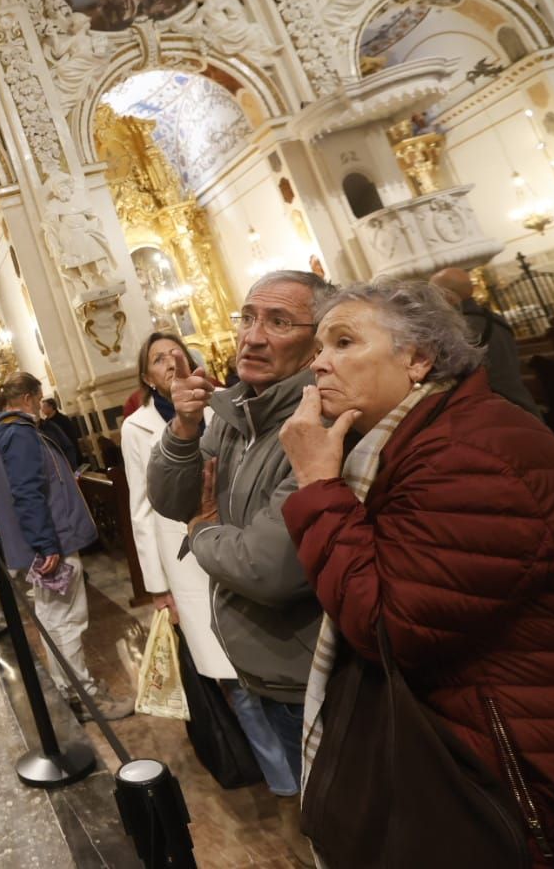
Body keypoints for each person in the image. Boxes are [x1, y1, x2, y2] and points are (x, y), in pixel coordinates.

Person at [279, 280, 554, 865]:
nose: (318, 363)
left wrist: (317, 485)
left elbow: (387, 624)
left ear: (418, 359)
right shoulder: (428, 439)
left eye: (343, 342)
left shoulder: (467, 456)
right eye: (318, 348)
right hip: (527, 737)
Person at [148, 269, 332, 863]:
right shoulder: (235, 412)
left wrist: (202, 531)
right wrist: (183, 429)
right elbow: (172, 499)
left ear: (318, 340)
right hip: (264, 664)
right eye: (248, 317)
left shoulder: (316, 421)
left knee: (345, 827)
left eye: (278, 322)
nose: (252, 336)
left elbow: (267, 567)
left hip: (314, 671)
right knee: (312, 819)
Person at [121, 332, 297, 797]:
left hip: (233, 539)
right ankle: (280, 779)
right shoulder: (137, 426)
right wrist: (158, 587)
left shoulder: (223, 403)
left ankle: (299, 768)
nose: (170, 362)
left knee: (262, 660)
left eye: (176, 353)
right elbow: (141, 508)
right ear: (148, 377)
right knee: (232, 680)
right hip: (184, 562)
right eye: (158, 359)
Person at [0, 372, 131, 722]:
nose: (40, 403)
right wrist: (47, 544)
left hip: (43, 541)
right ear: (28, 398)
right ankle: (86, 697)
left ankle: (69, 691)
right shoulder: (18, 433)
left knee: (54, 619)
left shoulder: (2, 433)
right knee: (68, 621)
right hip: (52, 542)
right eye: (39, 397)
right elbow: (27, 493)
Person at [429, 266, 541, 417]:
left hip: (497, 413)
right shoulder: (495, 319)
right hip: (522, 403)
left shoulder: (457, 330)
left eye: (434, 294)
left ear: (449, 296)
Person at [39, 396, 84, 468]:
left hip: (69, 452)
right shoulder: (46, 423)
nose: (42, 409)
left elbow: (71, 437)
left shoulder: (63, 419)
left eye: (44, 407)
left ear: (51, 407)